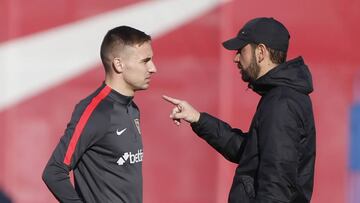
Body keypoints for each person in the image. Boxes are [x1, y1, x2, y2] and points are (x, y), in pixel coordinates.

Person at [163, 17, 315, 203]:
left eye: (241, 50)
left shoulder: (281, 103)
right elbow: (250, 152)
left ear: (260, 52)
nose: (236, 58)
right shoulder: (279, 97)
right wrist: (198, 119)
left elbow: (277, 181)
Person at [42, 26, 157, 203]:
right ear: (119, 64)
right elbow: (54, 171)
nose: (153, 68)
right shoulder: (95, 111)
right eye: (145, 61)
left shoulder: (132, 108)